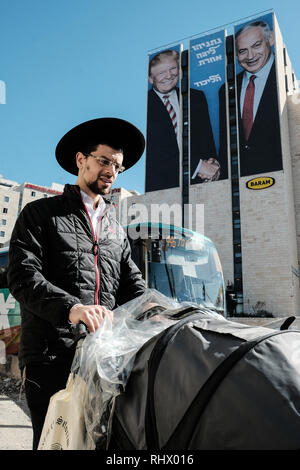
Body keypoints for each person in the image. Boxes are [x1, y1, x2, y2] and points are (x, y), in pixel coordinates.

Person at [7, 117, 146, 450]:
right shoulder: (40, 214)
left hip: (105, 358)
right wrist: (72, 308)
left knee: (105, 443)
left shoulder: (116, 230)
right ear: (80, 159)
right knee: (57, 442)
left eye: (118, 166)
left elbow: (133, 284)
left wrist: (153, 309)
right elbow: (23, 276)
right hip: (51, 357)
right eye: (104, 161)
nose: (112, 171)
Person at [146, 49, 218, 191]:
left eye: (173, 69)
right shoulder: (145, 104)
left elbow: (207, 138)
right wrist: (197, 166)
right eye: (161, 73)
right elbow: (157, 151)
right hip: (162, 188)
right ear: (150, 78)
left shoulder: (196, 97)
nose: (169, 75)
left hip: (201, 185)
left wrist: (213, 164)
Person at [219, 20, 282, 177]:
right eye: (242, 51)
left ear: (271, 39)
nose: (250, 56)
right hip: (239, 183)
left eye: (256, 45)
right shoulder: (226, 90)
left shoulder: (282, 76)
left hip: (279, 180)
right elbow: (225, 144)